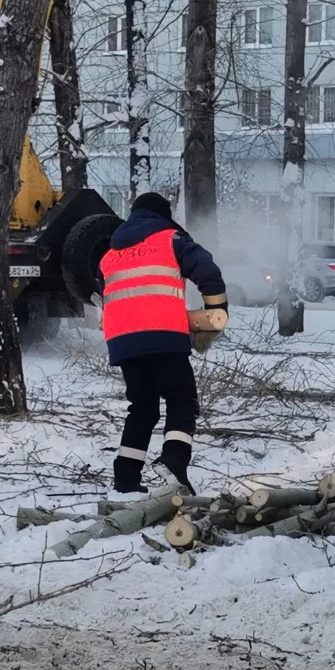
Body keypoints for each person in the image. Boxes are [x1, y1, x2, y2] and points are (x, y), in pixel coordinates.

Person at [98, 191, 227, 496]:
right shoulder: (170, 238)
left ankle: (126, 479)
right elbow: (208, 271)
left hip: (122, 340)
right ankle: (174, 459)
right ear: (163, 216)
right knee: (182, 401)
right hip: (163, 334)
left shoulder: (110, 253)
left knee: (142, 408)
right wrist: (218, 311)